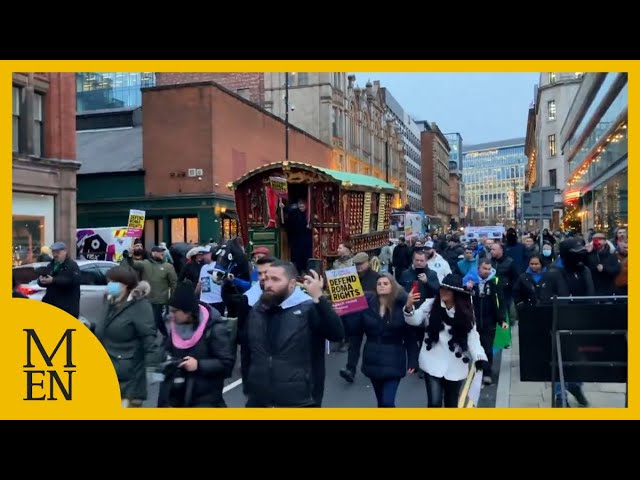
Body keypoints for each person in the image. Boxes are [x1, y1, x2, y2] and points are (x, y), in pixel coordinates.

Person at [244, 261, 344, 407]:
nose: (268, 284)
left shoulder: (308, 309)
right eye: (266, 279)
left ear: (292, 283)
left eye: (276, 279)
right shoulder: (257, 311)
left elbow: (337, 334)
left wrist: (319, 298)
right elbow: (248, 351)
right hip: (259, 400)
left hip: (300, 400)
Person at [404, 273, 489, 408]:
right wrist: (409, 307)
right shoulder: (431, 304)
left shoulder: (466, 311)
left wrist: (480, 357)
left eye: (448, 289)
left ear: (456, 292)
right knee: (434, 403)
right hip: (432, 361)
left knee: (451, 404)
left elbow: (472, 337)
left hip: (456, 365)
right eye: (442, 288)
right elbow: (414, 320)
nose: (443, 291)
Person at [343, 273, 419, 407]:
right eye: (379, 284)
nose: (382, 286)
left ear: (392, 287)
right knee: (381, 403)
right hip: (373, 359)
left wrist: (413, 359)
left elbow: (409, 336)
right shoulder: (367, 305)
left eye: (385, 284)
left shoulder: (401, 305)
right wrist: (345, 313)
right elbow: (356, 331)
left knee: (388, 403)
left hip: (394, 360)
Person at [157, 280, 235, 408]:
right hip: (176, 395)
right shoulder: (174, 327)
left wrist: (199, 365)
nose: (171, 315)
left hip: (205, 399)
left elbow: (226, 364)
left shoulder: (214, 329)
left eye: (175, 311)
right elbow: (165, 352)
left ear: (188, 312)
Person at [97, 266, 159, 408]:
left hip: (128, 375)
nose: (109, 285)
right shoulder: (109, 301)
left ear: (126, 284)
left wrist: (151, 368)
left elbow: (149, 339)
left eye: (113, 281)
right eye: (109, 281)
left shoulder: (140, 306)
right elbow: (105, 328)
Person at [37, 242, 81, 319]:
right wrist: (41, 281)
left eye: (58, 252)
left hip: (67, 308)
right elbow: (45, 280)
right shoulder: (51, 265)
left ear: (65, 252)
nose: (55, 255)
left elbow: (73, 281)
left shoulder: (72, 265)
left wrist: (53, 280)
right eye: (53, 252)